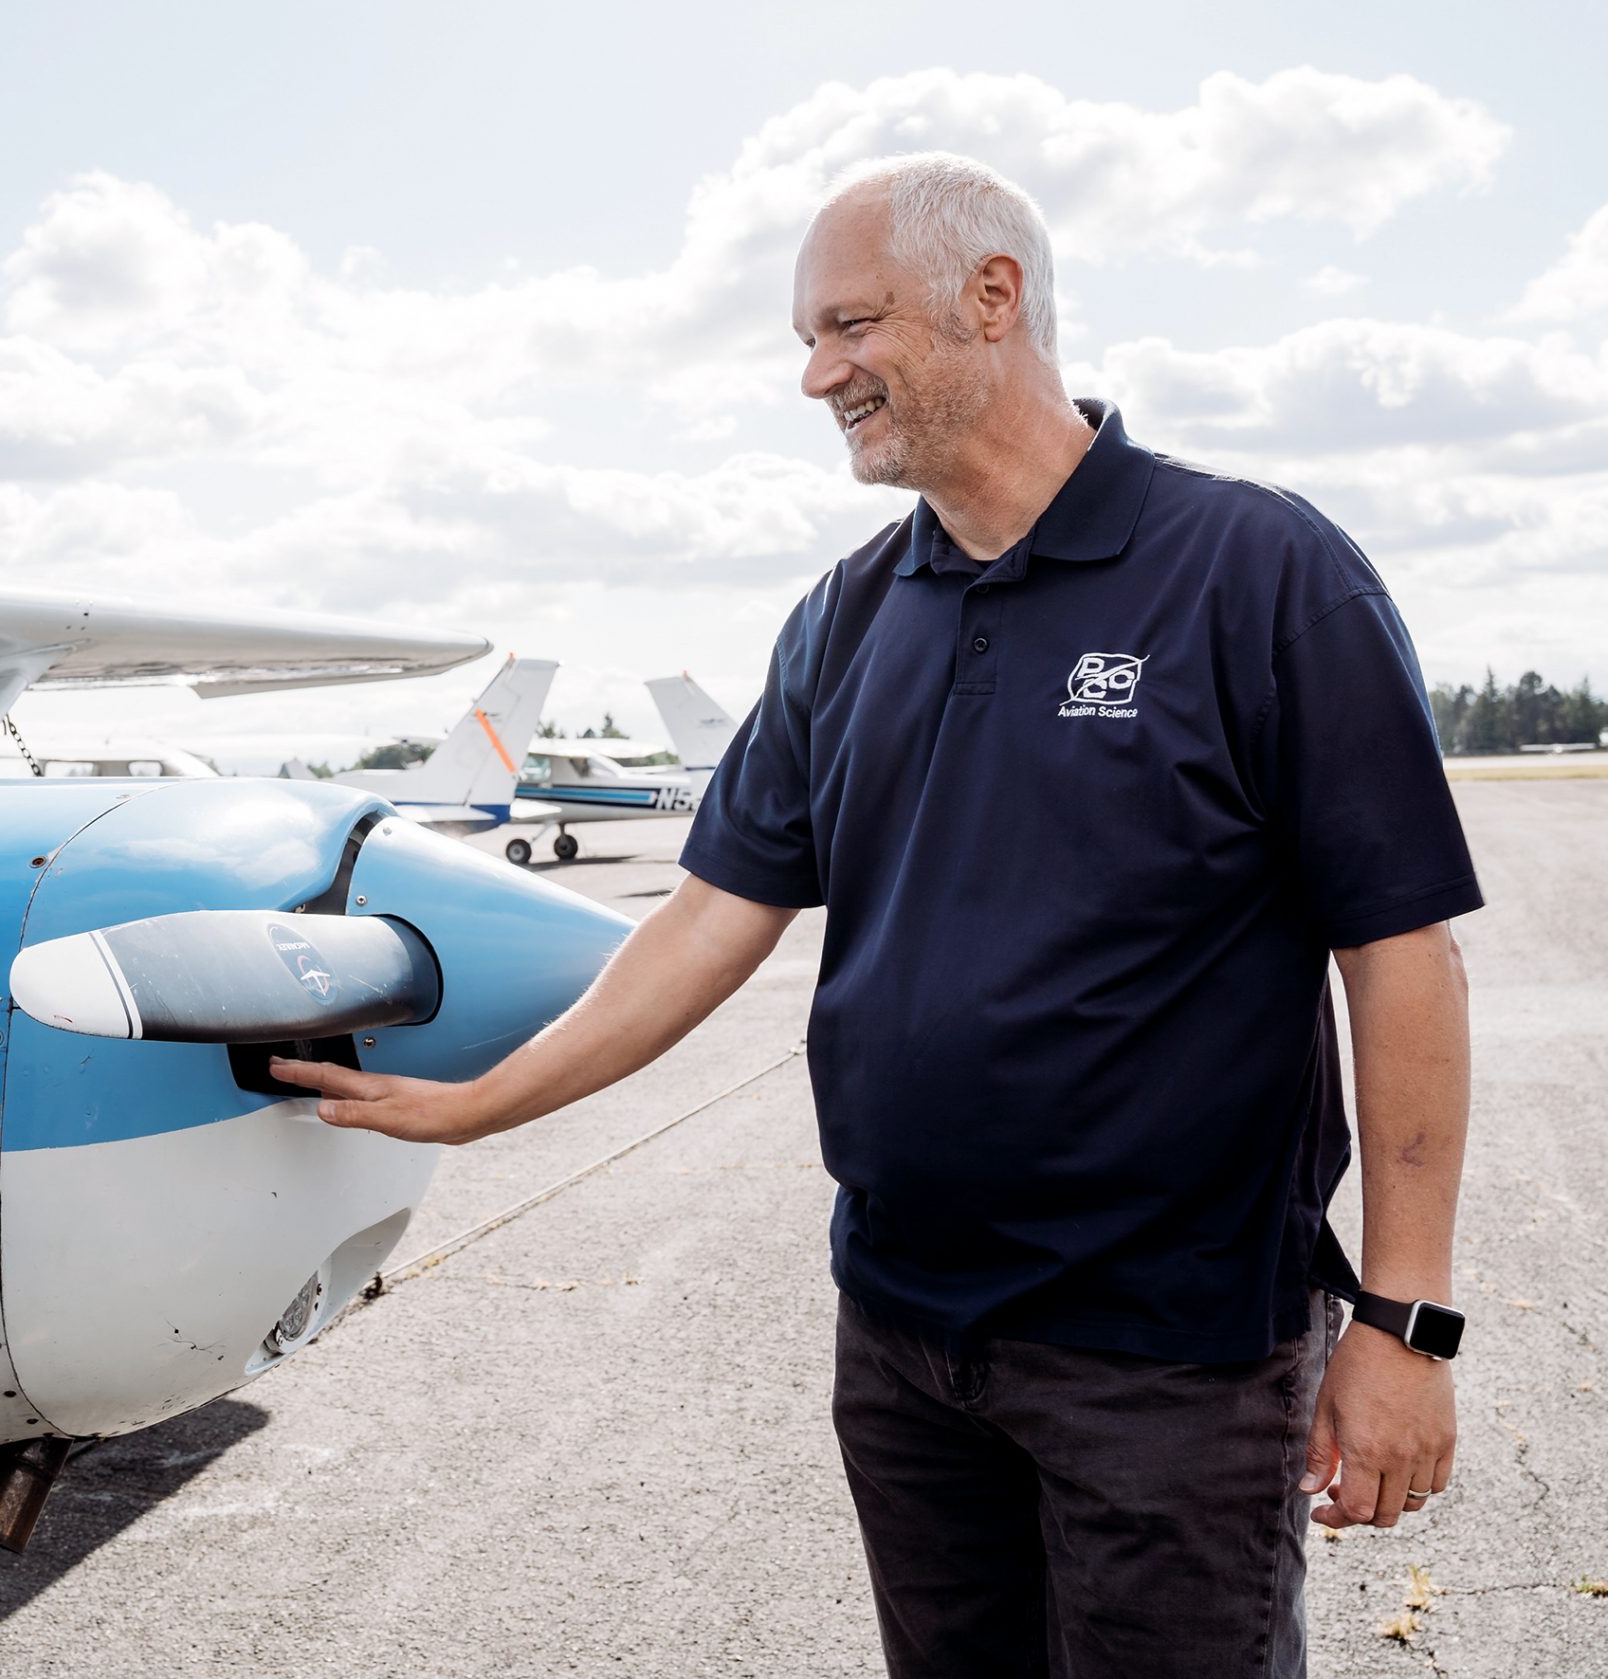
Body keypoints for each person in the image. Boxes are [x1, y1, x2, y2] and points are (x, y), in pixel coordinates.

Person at [273, 153, 1478, 1679]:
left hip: (1169, 1353)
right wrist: (478, 1106)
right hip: (907, 1337)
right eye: (803, 339)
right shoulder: (848, 616)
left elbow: (1402, 953)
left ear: (994, 298)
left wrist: (1406, 1319)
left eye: (849, 326)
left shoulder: (1256, 570)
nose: (817, 374)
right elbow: (710, 918)